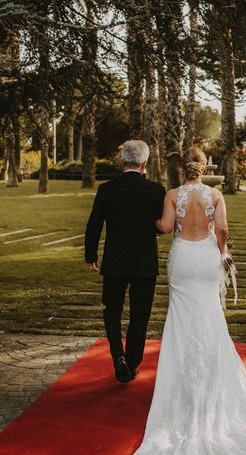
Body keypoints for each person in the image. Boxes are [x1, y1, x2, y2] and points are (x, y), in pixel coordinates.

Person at [133, 146, 246, 455]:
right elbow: (221, 230)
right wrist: (221, 251)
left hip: (182, 258)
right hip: (207, 257)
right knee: (210, 317)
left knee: (180, 320)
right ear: (204, 166)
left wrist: (148, 219)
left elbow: (165, 228)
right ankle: (211, 381)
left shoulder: (173, 194)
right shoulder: (215, 194)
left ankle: (180, 386)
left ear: (183, 167)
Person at [84, 140, 166, 383]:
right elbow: (161, 227)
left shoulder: (107, 189)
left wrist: (91, 256)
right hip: (144, 263)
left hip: (115, 261)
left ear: (122, 162)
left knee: (112, 309)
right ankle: (131, 362)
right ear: (144, 164)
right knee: (140, 314)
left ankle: (117, 355)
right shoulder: (156, 191)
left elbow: (94, 225)